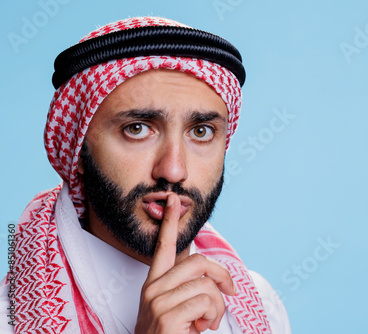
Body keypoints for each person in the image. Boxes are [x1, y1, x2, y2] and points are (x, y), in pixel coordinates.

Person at [0, 16, 291, 334]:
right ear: (79, 148)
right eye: (137, 129)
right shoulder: (9, 320)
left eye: (201, 131)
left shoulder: (260, 305)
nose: (174, 170)